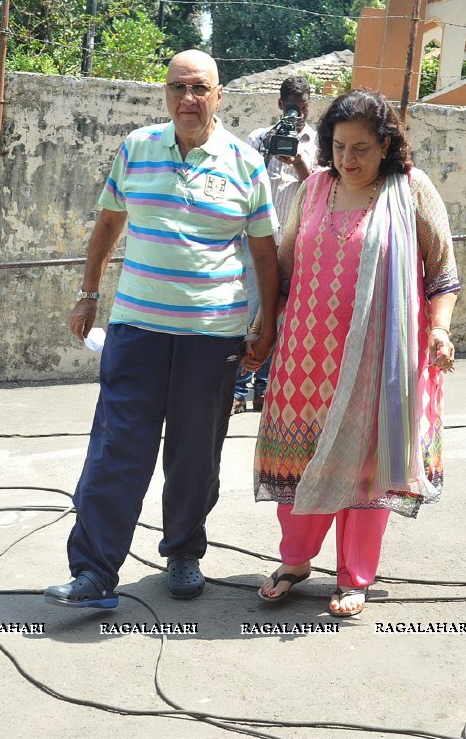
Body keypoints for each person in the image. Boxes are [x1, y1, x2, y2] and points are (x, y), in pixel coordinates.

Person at [44, 49, 280, 610]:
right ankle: (95, 573)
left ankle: (183, 554)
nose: (188, 100)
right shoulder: (137, 149)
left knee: (196, 453)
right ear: (165, 94)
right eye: (178, 88)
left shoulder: (246, 164)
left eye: (200, 88)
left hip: (213, 335)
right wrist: (88, 293)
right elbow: (108, 222)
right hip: (136, 330)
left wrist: (266, 324)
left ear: (220, 95)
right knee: (115, 449)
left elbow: (265, 253)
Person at [250, 88, 459, 618]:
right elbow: (286, 270)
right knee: (298, 458)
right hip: (305, 360)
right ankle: (295, 561)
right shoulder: (314, 190)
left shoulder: (411, 190)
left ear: (387, 145)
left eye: (362, 147)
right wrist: (264, 332)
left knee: (368, 468)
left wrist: (439, 331)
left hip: (380, 363)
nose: (349, 159)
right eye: (340, 146)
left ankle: (355, 577)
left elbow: (443, 274)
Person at [232, 76, 318, 415]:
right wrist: (271, 149)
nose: (299, 111)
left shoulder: (317, 143)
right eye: (293, 104)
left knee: (278, 320)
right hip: (256, 245)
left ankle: (264, 390)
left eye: (305, 104)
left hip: (293, 248)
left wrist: (297, 159)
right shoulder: (257, 139)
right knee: (249, 314)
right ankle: (238, 389)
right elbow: (241, 184)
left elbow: (317, 189)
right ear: (281, 104)